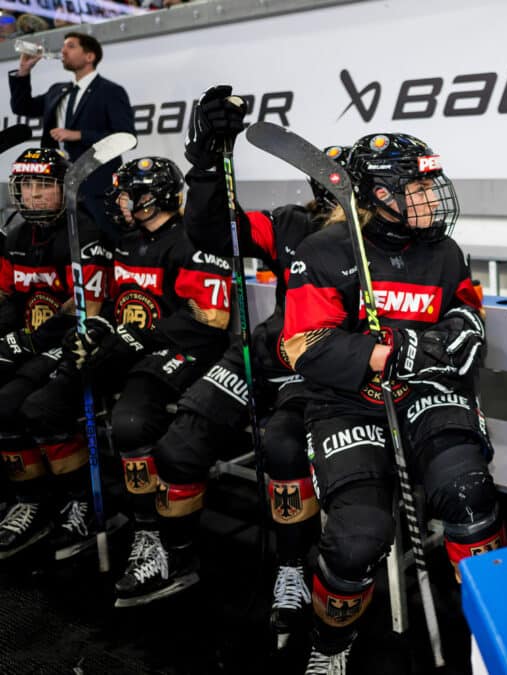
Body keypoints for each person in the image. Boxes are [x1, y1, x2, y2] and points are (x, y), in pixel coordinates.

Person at [107, 85, 330, 649]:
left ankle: (292, 568)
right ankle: (174, 556)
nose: (337, 204)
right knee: (177, 447)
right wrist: (209, 162)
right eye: (331, 191)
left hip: (324, 368)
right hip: (263, 353)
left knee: (283, 449)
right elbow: (212, 229)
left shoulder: (386, 248)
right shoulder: (291, 225)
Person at [282, 133, 503, 673]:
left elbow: (466, 314)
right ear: (378, 195)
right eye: (417, 188)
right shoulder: (325, 251)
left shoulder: (444, 252)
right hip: (349, 403)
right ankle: (329, 644)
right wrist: (392, 351)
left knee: (468, 492)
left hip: (429, 394)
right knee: (357, 538)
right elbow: (304, 346)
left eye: (431, 184)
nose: (432, 197)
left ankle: (496, 640)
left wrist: (462, 330)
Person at [6, 156, 233, 572]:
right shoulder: (128, 242)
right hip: (131, 345)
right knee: (41, 406)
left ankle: (153, 534)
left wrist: (133, 337)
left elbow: (210, 320)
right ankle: (83, 508)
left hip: (178, 350)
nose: (121, 201)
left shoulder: (194, 241)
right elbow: (115, 303)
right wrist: (95, 329)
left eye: (129, 194)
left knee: (130, 422)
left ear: (156, 197)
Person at [0, 147, 112, 560]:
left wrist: (28, 341)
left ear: (65, 189)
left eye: (43, 186)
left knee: (25, 405)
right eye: (26, 185)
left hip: (71, 341)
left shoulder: (84, 233)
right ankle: (29, 500)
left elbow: (86, 308)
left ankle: (78, 501)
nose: (32, 195)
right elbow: (7, 295)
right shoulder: (16, 237)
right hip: (30, 341)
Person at [8, 32, 135, 243]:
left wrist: (79, 135)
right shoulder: (58, 90)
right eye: (63, 46)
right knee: (61, 243)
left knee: (102, 241)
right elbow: (22, 107)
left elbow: (127, 136)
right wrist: (23, 71)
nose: (63, 51)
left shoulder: (110, 91)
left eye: (71, 46)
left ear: (89, 56)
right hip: (57, 187)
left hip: (95, 185)